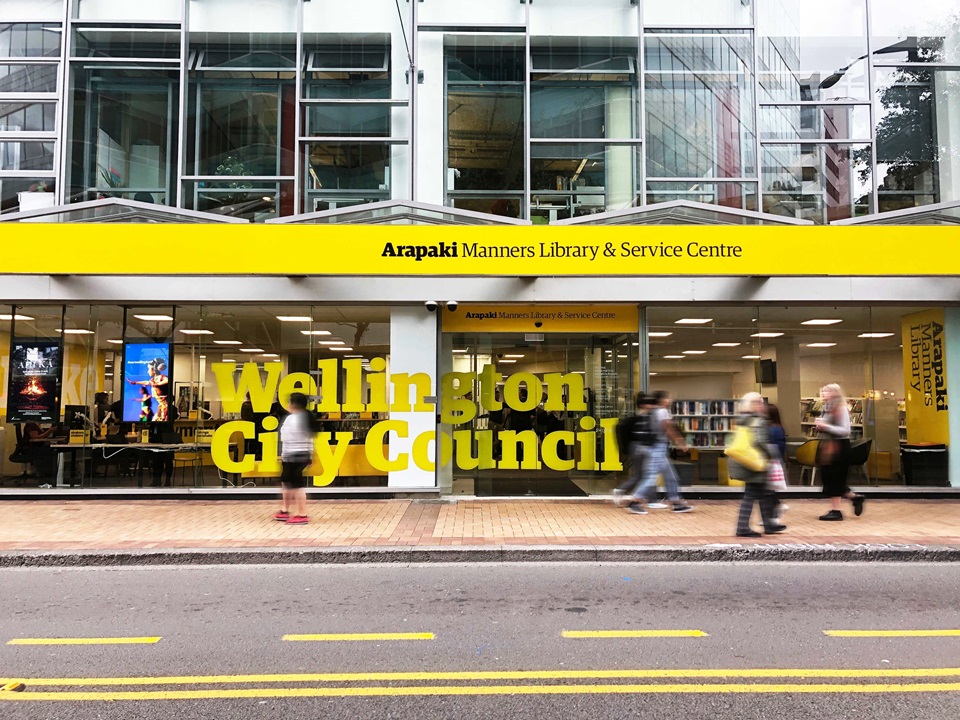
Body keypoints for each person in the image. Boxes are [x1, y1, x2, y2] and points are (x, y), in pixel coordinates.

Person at [626, 390, 694, 515]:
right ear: (662, 400)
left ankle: (676, 502)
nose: (669, 400)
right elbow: (668, 427)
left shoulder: (651, 411)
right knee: (651, 476)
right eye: (667, 398)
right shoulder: (662, 411)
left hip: (653, 447)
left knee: (670, 477)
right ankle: (635, 501)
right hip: (657, 448)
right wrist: (680, 442)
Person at [731, 393, 786, 537]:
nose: (763, 407)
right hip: (756, 462)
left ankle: (769, 524)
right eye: (761, 403)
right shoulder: (758, 421)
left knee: (765, 494)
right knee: (750, 496)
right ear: (755, 405)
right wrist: (772, 454)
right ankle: (742, 527)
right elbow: (760, 442)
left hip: (746, 461)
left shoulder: (742, 420)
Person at [816, 383, 865, 521]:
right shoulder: (826, 408)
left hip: (838, 447)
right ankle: (855, 498)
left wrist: (825, 426)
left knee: (835, 477)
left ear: (834, 393)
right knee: (829, 477)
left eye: (826, 391)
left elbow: (845, 431)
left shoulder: (840, 408)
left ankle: (836, 511)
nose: (823, 393)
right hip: (828, 447)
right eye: (822, 391)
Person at [274, 392, 316, 525]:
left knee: (296, 485)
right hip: (301, 455)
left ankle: (302, 514)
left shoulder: (292, 419)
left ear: (293, 404)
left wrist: (283, 456)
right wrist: (309, 455)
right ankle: (285, 510)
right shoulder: (306, 417)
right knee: (287, 482)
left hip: (292, 456)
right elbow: (310, 439)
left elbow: (286, 440)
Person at [612, 393, 656, 505]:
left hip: (638, 449)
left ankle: (624, 491)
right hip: (640, 449)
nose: (651, 406)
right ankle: (646, 499)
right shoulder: (641, 418)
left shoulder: (640, 418)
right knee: (646, 475)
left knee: (642, 475)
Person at [766, 404, 789, 523]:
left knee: (768, 490)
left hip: (771, 461)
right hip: (776, 460)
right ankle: (773, 515)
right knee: (769, 489)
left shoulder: (771, 429)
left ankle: (775, 512)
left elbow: (773, 446)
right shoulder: (779, 428)